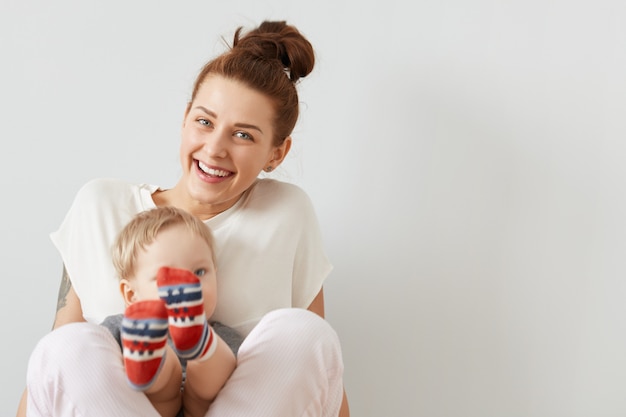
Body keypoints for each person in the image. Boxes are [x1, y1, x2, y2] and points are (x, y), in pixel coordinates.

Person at [19, 20, 349, 417]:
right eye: (205, 122)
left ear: (277, 153)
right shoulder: (100, 204)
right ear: (185, 118)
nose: (215, 149)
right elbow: (57, 374)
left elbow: (316, 371)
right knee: (68, 346)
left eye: (243, 135)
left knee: (306, 334)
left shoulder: (286, 214)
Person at [102, 206, 240, 417]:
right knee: (158, 394)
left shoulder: (223, 335)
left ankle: (202, 345)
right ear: (131, 295)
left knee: (215, 382)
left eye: (199, 272)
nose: (188, 285)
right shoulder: (119, 330)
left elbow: (244, 387)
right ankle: (155, 355)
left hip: (208, 411)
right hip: (145, 409)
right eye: (165, 277)